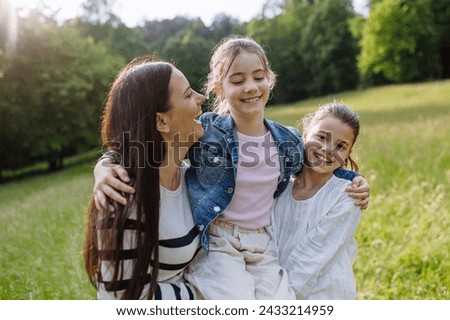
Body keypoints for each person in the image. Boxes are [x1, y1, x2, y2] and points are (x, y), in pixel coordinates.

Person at [93, 36, 370, 300]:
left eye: (259, 77)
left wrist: (352, 179)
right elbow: (144, 148)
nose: (250, 87)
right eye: (237, 80)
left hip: (263, 243)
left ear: (270, 80)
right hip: (221, 240)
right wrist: (106, 165)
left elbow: (316, 163)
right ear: (220, 89)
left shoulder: (287, 140)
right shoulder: (208, 133)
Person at [83, 56, 206, 300]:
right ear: (162, 121)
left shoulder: (191, 177)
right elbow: (126, 300)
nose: (201, 98)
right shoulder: (122, 196)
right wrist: (211, 292)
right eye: (188, 95)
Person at [272, 102, 363, 299]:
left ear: (348, 155)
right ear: (304, 135)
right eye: (321, 137)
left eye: (341, 146)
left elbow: (313, 255)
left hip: (323, 295)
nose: (328, 149)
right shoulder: (280, 184)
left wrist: (280, 299)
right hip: (272, 288)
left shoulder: (348, 195)